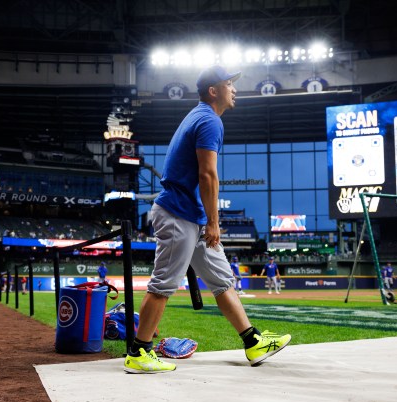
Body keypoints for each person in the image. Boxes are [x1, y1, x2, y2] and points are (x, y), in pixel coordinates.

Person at [123, 65, 291, 374]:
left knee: (222, 280)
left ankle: (253, 342)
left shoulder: (200, 115)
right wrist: (214, 222)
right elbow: (207, 174)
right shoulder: (209, 120)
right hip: (178, 214)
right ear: (213, 91)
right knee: (163, 285)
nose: (234, 89)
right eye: (229, 84)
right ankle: (139, 352)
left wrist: (207, 222)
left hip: (192, 217)